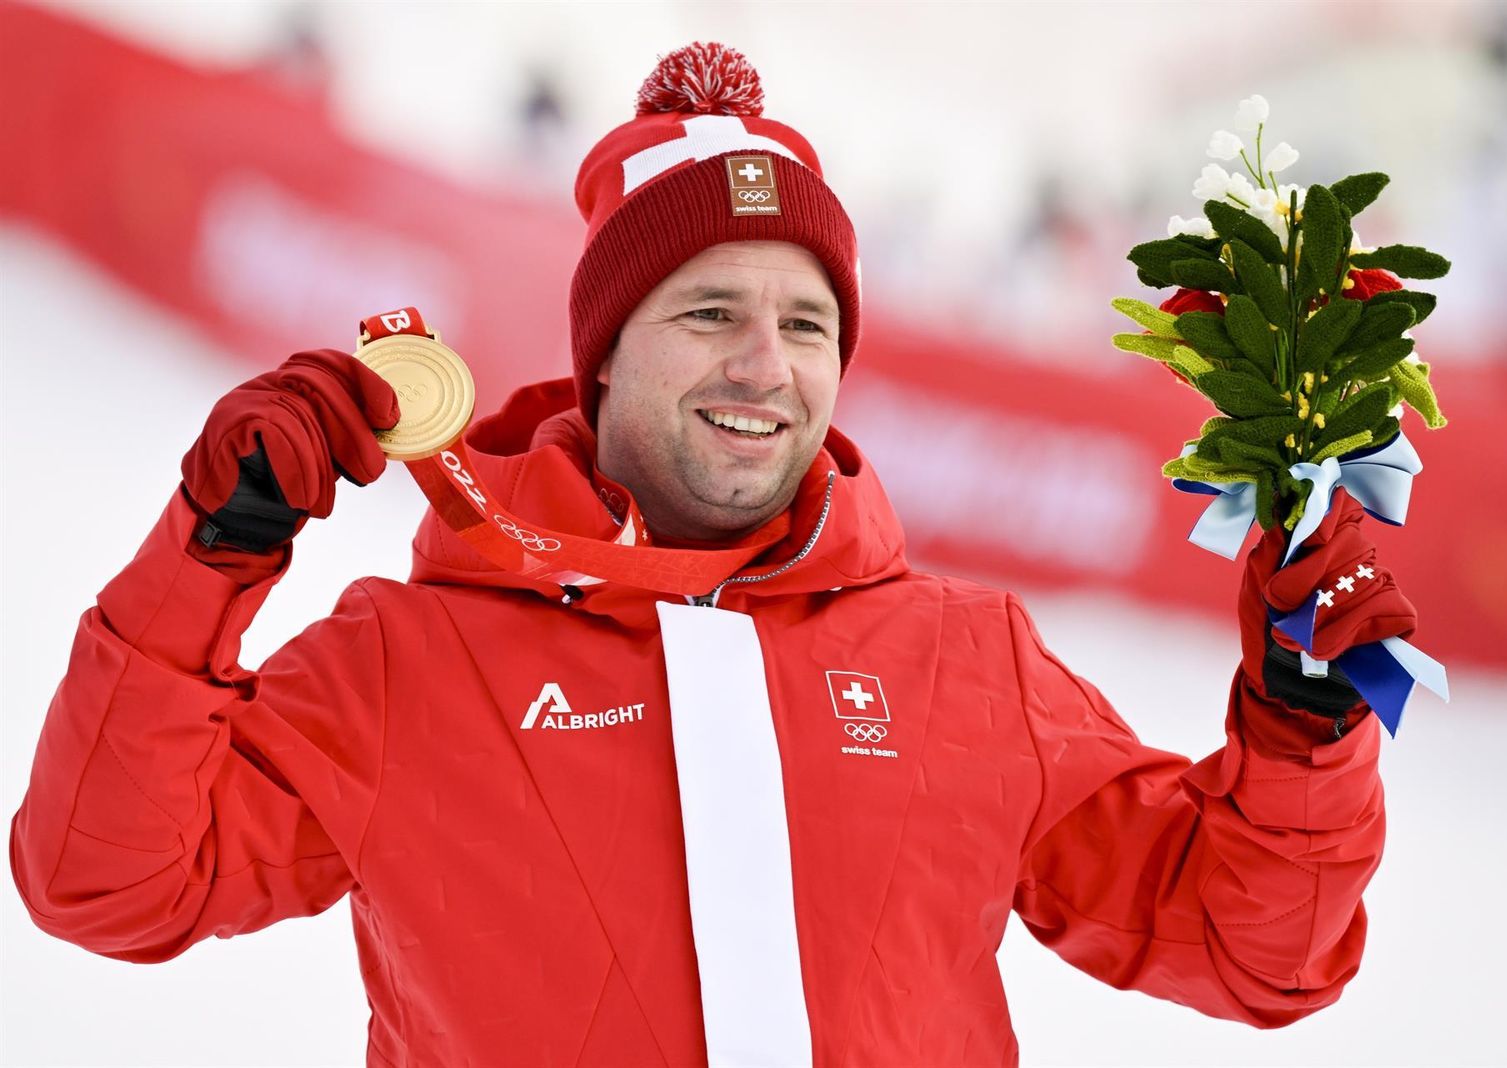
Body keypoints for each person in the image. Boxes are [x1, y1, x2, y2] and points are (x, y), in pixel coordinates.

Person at [9, 42, 1416, 1068]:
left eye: (807, 325)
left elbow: (1253, 950)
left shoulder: (962, 662)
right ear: (604, 355)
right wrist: (210, 555)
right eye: (708, 314)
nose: (766, 365)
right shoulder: (410, 663)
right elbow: (109, 880)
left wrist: (1307, 726)